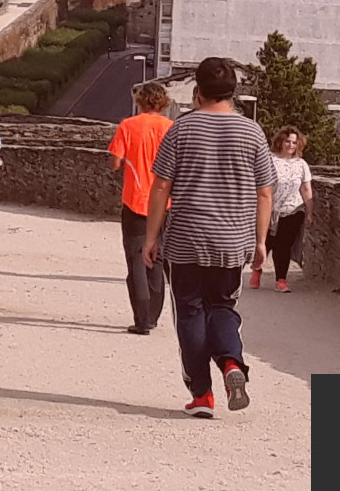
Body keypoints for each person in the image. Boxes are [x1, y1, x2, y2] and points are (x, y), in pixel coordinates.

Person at [143, 57, 275, 419]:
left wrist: (151, 237)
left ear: (197, 92)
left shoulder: (181, 130)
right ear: (233, 92)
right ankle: (232, 363)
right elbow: (265, 192)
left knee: (189, 312)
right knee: (223, 307)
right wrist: (261, 241)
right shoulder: (253, 133)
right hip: (231, 242)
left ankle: (202, 394)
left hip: (186, 238)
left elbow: (161, 187)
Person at [109, 81, 174, 335]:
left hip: (135, 200)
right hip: (165, 203)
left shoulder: (128, 125)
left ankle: (142, 318)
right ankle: (154, 316)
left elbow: (115, 163)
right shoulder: (171, 128)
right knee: (156, 260)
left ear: (141, 100)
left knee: (136, 260)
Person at [255, 127, 314, 293]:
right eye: (287, 141)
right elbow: (259, 184)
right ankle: (257, 271)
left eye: (294, 142)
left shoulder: (301, 165)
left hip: (293, 210)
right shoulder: (269, 160)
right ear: (280, 142)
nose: (290, 145)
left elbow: (306, 189)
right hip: (270, 209)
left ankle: (281, 280)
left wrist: (309, 212)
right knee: (266, 243)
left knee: (284, 245)